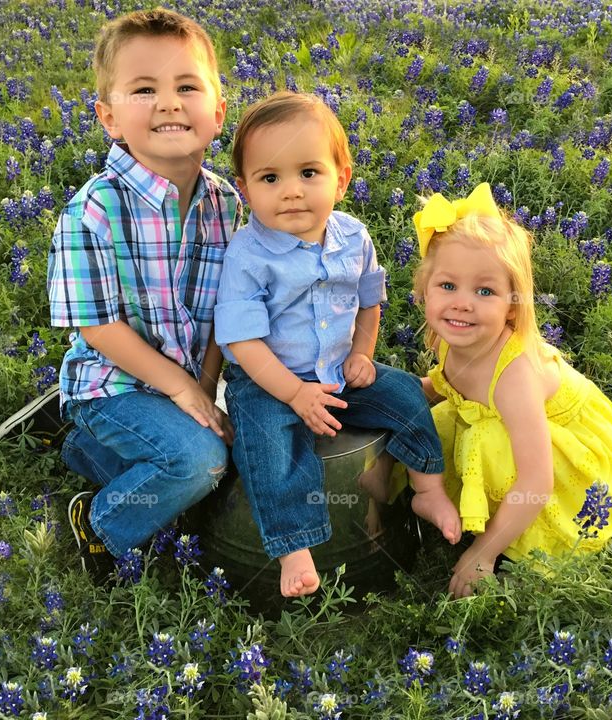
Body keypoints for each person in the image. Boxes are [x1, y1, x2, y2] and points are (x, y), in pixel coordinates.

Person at [214, 92, 461, 598]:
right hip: (267, 381)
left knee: (405, 396)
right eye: (270, 178)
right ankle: (293, 546)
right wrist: (293, 394)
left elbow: (369, 301)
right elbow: (243, 341)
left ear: (341, 179)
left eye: (309, 173)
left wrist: (363, 354)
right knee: (267, 445)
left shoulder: (354, 237)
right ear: (244, 190)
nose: (291, 192)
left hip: (336, 371)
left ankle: (426, 489)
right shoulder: (247, 254)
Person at [46, 8, 241, 579]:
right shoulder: (91, 212)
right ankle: (103, 523)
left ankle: (84, 451)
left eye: (187, 86)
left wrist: (204, 387)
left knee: (254, 443)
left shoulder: (224, 203)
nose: (168, 102)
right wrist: (184, 391)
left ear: (217, 111)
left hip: (195, 375)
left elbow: (221, 310)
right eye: (143, 89)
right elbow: (99, 328)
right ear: (109, 117)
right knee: (202, 462)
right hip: (114, 383)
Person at [410, 183, 612, 598]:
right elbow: (445, 387)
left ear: (512, 305)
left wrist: (483, 552)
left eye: (484, 291)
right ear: (424, 289)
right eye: (447, 286)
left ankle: (510, 537)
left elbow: (537, 478)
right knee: (421, 421)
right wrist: (387, 391)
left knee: (489, 440)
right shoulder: (456, 335)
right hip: (512, 431)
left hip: (563, 467)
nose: (462, 303)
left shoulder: (515, 375)